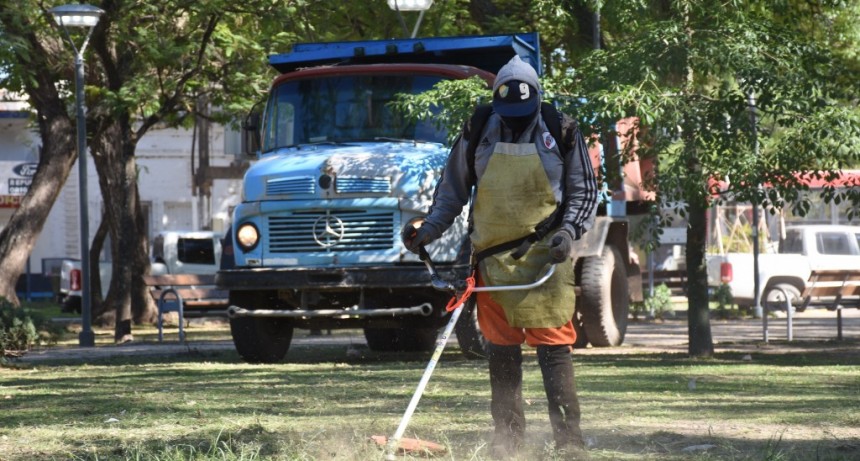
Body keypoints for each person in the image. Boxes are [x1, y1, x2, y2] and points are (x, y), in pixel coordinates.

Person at [401, 55, 598, 458]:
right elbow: (451, 193)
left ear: (537, 100)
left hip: (546, 260)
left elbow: (584, 192)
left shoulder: (561, 129)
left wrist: (567, 232)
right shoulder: (478, 130)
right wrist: (428, 232)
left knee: (553, 349)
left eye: (522, 113)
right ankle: (507, 442)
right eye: (508, 113)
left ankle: (570, 444)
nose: (515, 120)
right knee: (502, 352)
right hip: (492, 262)